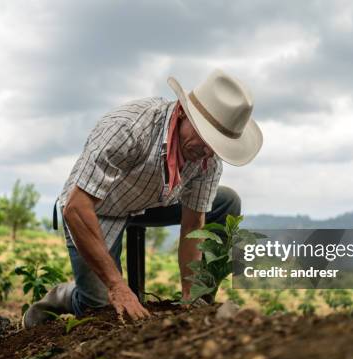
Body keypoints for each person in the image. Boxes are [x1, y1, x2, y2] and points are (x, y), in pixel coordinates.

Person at [23, 69, 263, 328]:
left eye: (216, 145)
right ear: (183, 113)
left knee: (227, 201)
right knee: (100, 308)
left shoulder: (207, 158)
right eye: (205, 138)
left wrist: (190, 298)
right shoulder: (130, 128)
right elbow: (76, 208)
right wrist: (117, 286)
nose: (207, 151)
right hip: (97, 207)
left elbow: (194, 224)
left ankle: (199, 303)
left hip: (150, 202)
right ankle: (64, 296)